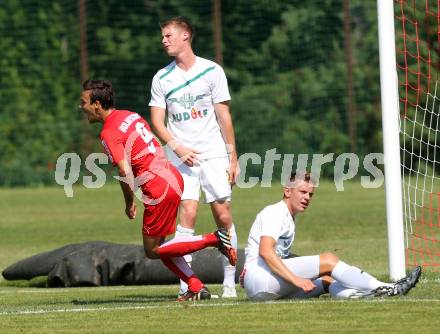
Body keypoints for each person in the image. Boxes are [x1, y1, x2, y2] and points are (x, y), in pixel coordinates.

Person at [80, 79, 237, 301]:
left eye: (83, 102)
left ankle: (215, 239)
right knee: (164, 247)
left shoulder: (108, 133)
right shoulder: (130, 115)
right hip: (171, 176)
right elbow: (150, 143)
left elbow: (125, 172)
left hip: (158, 188)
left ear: (97, 104)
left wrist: (129, 203)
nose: (81, 107)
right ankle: (195, 285)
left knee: (152, 251)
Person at [149, 17, 239, 298]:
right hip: (180, 158)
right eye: (162, 36)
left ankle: (229, 282)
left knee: (222, 214)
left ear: (185, 35)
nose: (164, 40)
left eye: (168, 35)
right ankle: (188, 284)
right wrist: (177, 147)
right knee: (187, 213)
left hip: (213, 153)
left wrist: (232, 157)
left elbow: (224, 115)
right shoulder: (162, 77)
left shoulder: (212, 71)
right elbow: (157, 121)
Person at [240, 172, 422, 301]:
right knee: (328, 260)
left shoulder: (288, 217)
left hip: (261, 286)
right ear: (288, 191)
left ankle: (374, 294)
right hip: (261, 280)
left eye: (310, 194)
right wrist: (296, 280)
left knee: (329, 280)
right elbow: (265, 251)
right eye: (302, 192)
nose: (307, 198)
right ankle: (390, 287)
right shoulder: (275, 212)